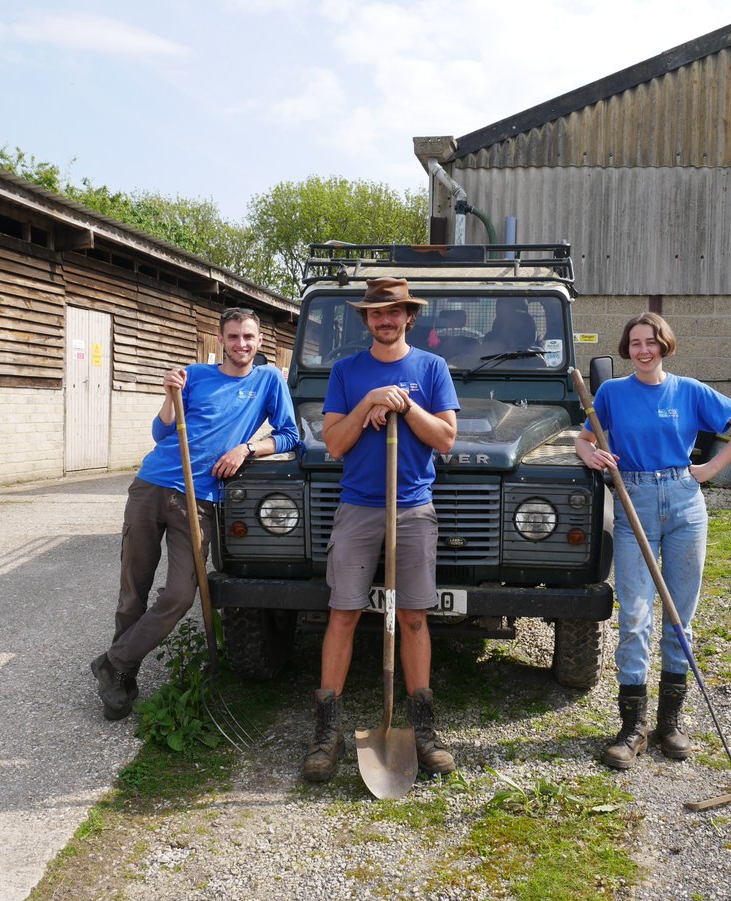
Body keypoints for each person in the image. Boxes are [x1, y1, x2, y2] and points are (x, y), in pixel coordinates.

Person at [575, 312, 731, 770]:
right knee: (635, 615)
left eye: (651, 342)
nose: (643, 350)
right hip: (633, 499)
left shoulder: (690, 391)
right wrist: (590, 453)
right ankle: (632, 727)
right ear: (627, 349)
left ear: (665, 345)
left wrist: (711, 469)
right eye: (635, 343)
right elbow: (584, 439)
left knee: (680, 617)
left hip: (684, 503)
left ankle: (670, 723)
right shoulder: (612, 393)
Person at [91, 308, 299, 720]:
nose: (241, 344)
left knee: (180, 594)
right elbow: (161, 432)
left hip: (200, 499)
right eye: (233, 336)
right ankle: (122, 676)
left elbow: (290, 435)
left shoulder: (269, 381)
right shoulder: (194, 375)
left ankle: (111, 662)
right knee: (134, 587)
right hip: (153, 485)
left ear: (260, 342)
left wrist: (246, 449)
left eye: (249, 337)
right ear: (221, 340)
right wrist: (170, 395)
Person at [302, 276, 460, 783]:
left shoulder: (431, 368)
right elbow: (335, 443)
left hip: (413, 508)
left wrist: (405, 406)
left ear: (409, 317)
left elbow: (446, 439)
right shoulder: (347, 372)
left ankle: (423, 730)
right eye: (376, 313)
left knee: (413, 618)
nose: (385, 320)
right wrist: (369, 400)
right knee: (343, 613)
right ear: (366, 319)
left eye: (394, 312)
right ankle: (326, 732)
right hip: (358, 507)